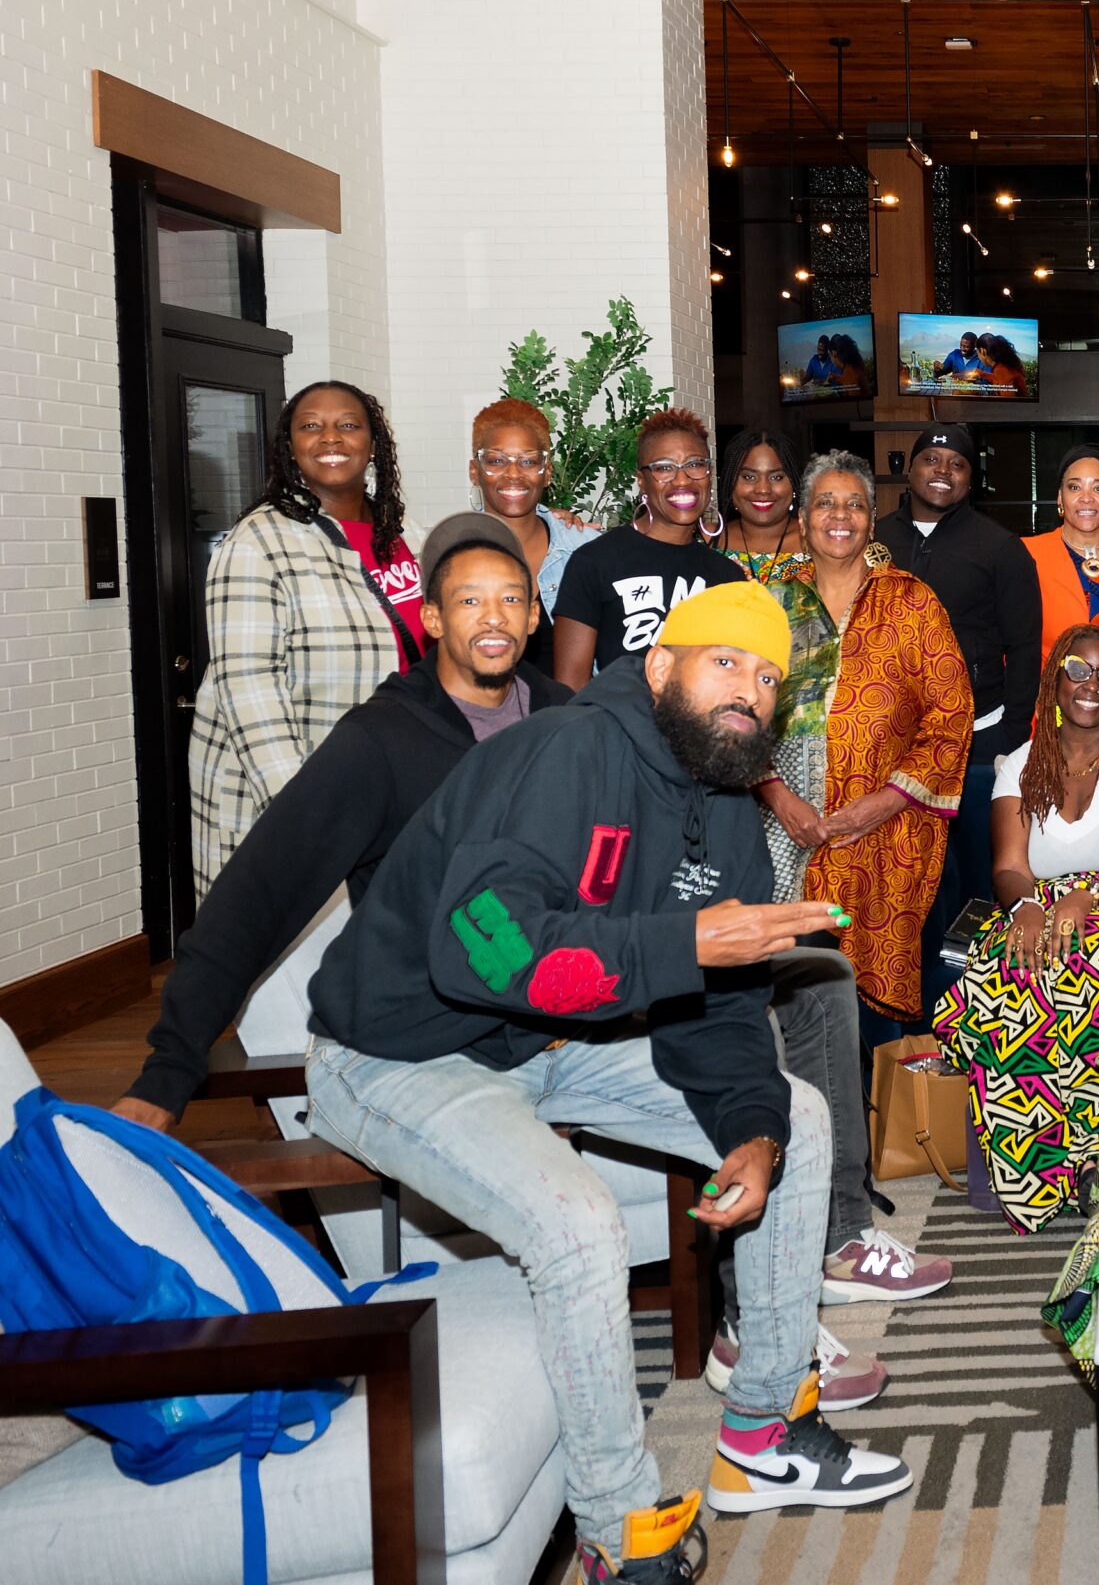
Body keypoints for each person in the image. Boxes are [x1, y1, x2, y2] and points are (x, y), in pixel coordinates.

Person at [301, 582, 915, 1582]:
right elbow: (485, 948)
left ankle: (762, 1431)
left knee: (793, 1111)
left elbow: (715, 1008)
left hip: (544, 1045)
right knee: (579, 1221)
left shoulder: (724, 813)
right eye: (726, 661)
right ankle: (618, 1528)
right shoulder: (570, 751)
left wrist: (751, 1135)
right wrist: (683, 939)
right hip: (402, 1052)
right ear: (664, 666)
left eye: (767, 678)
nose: (747, 691)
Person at [121, 516, 570, 1128]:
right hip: (436, 1043)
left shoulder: (571, 726)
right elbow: (262, 892)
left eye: (511, 598)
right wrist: (167, 1072)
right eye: (469, 599)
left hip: (565, 1027)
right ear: (432, 618)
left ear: (534, 613)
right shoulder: (378, 743)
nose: (493, 616)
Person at [931, 626, 1099, 1232]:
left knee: (1076, 973)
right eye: (1079, 669)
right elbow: (1009, 869)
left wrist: (1086, 898)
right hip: (1035, 909)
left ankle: (1094, 1168)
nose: (1092, 685)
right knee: (1013, 974)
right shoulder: (1019, 764)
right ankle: (1043, 1176)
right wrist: (1029, 908)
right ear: (1055, 678)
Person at [764, 453, 974, 1030]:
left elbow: (951, 715)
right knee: (791, 1007)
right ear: (802, 520)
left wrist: (882, 803)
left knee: (872, 1020)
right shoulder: (771, 605)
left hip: (888, 841)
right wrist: (781, 800)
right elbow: (733, 718)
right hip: (782, 837)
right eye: (825, 503)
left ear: (871, 524)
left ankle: (880, 1116)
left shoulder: (911, 602)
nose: (840, 515)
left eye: (855, 504)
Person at [189, 380, 421, 892]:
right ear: (290, 446)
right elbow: (247, 688)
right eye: (310, 426)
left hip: (388, 789)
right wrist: (303, 815)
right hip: (299, 797)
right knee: (284, 959)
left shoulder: (406, 539)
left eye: (348, 425)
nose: (330, 437)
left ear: (373, 443)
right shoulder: (259, 542)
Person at [877, 422, 1042, 1001]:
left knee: (976, 882)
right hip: (891, 748)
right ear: (911, 467)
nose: (943, 471)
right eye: (932, 459)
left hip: (979, 744)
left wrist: (1013, 740)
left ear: (972, 479)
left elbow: (1024, 648)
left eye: (957, 463)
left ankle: (983, 1003)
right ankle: (912, 1003)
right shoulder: (873, 540)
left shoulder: (1000, 547)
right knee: (909, 883)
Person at [551, 407, 746, 687]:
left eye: (694, 464)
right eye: (664, 468)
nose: (682, 480)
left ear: (709, 475)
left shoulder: (728, 577)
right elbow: (570, 689)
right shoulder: (595, 561)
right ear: (641, 480)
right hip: (617, 728)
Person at [465, 397, 598, 677]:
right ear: (474, 472)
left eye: (528, 461)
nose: (513, 474)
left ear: (547, 473)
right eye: (497, 460)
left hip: (571, 717)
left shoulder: (584, 549)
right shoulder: (454, 553)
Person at [1026, 447, 1099, 655]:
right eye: (1074, 487)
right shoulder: (1027, 554)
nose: (1086, 498)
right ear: (1060, 498)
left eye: (1098, 489)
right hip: (1050, 685)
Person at [715, 427, 809, 582]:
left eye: (777, 477)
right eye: (749, 477)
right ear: (730, 482)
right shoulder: (708, 541)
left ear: (794, 483)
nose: (763, 489)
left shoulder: (818, 541)